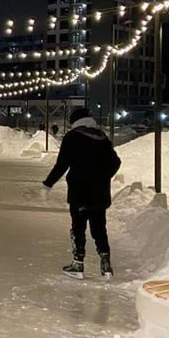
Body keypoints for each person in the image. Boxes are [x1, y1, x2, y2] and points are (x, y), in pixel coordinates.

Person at [43, 107, 122, 279]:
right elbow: (116, 162)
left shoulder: (72, 137)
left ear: (74, 121)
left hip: (79, 191)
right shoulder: (102, 137)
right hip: (100, 192)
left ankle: (78, 264)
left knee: (78, 227)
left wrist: (48, 184)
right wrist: (103, 176)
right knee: (99, 228)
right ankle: (106, 264)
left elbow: (62, 164)